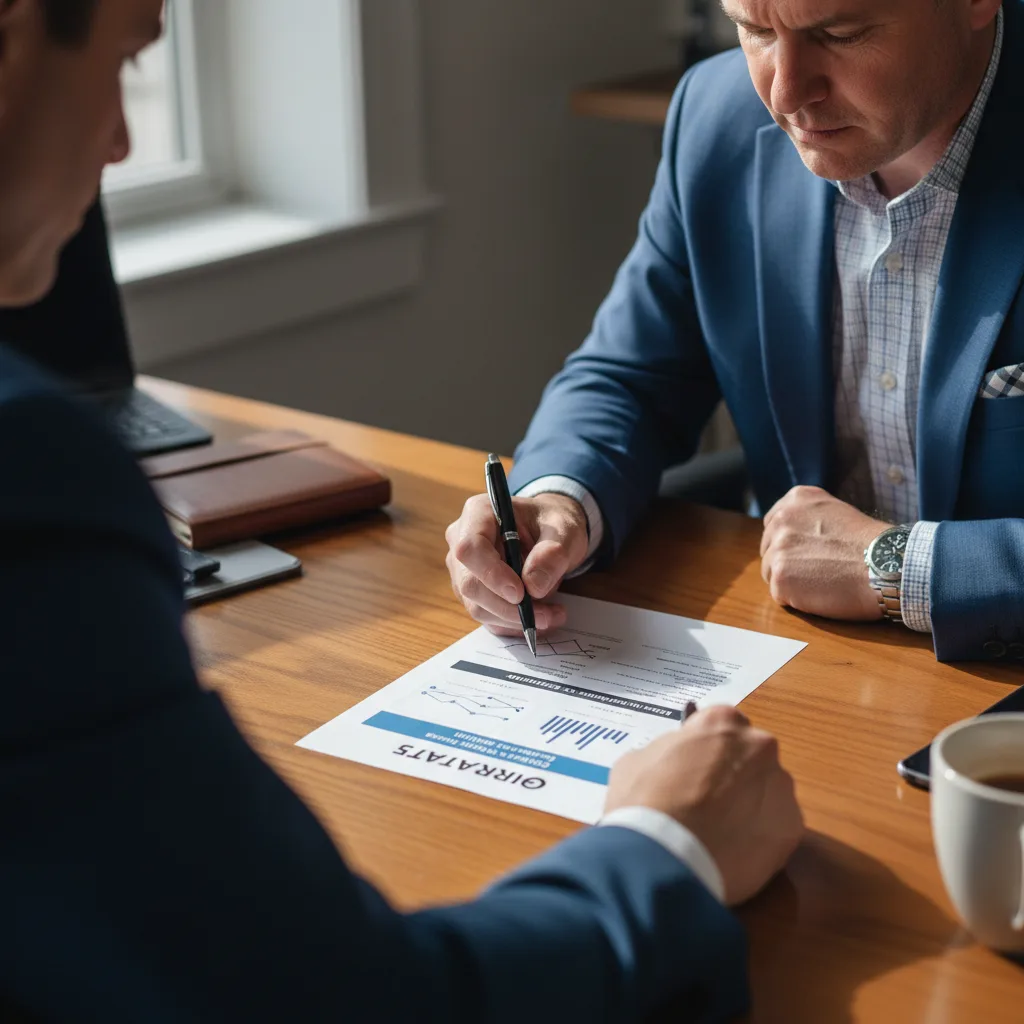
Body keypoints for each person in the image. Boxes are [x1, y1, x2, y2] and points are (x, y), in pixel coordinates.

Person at [0, 1, 804, 1020]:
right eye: (125, 60)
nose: (122, 138)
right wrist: (668, 843)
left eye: (846, 32)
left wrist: (903, 560)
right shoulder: (31, 481)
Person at [445, 0, 1023, 664]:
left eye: (839, 33)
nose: (785, 95)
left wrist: (896, 567)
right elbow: (631, 376)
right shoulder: (716, 116)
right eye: (754, 30)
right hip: (801, 659)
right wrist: (556, 500)